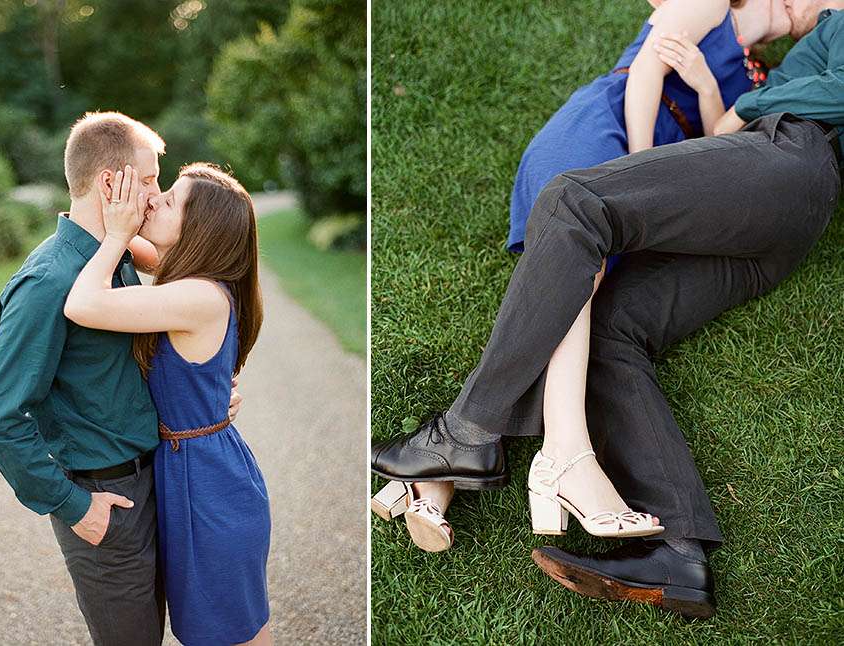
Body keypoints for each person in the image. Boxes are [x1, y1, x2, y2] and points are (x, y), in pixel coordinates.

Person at [372, 0, 842, 618]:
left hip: (789, 160)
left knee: (574, 199)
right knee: (609, 326)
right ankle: (678, 552)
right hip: (780, 222)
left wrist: (743, 109)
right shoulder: (772, 52)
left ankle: (466, 432)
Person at [0, 112, 242, 645]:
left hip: (156, 479)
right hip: (104, 499)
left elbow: (133, 363)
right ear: (109, 183)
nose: (155, 194)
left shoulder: (112, 257)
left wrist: (205, 399)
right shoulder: (48, 282)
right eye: (146, 180)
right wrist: (74, 507)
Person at [64, 162, 271, 646]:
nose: (154, 199)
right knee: (216, 625)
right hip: (193, 470)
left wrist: (115, 235)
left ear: (198, 230)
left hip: (210, 485)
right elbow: (118, 236)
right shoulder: (195, 280)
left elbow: (82, 305)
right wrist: (108, 209)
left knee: (228, 629)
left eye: (171, 199)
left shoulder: (198, 296)